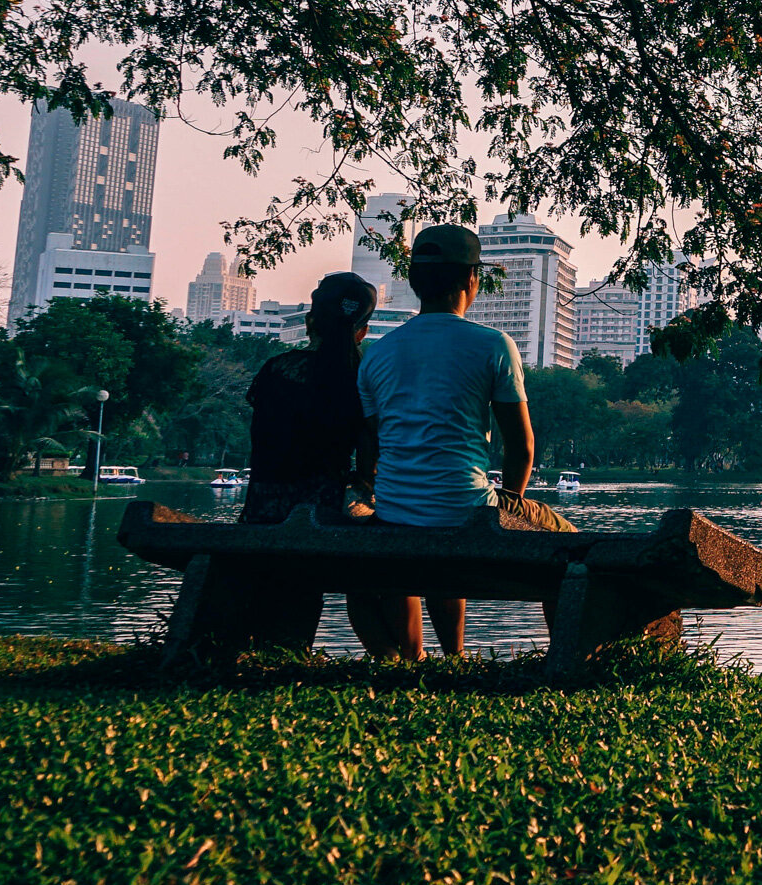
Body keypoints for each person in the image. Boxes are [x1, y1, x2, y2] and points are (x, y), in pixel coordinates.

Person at [356, 223, 571, 656]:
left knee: (428, 544)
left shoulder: (376, 353)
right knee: (572, 547)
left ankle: (438, 658)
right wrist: (508, 505)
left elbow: (373, 447)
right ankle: (566, 658)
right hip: (469, 508)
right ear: (473, 279)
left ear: (414, 282)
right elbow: (521, 446)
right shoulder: (492, 345)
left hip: (395, 512)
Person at [237, 271, 382, 648]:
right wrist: (362, 481)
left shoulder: (276, 370)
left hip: (263, 509)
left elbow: (262, 441)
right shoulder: (362, 378)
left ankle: (259, 646)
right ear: (362, 331)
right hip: (323, 511)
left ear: (309, 321)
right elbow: (369, 449)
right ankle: (290, 649)